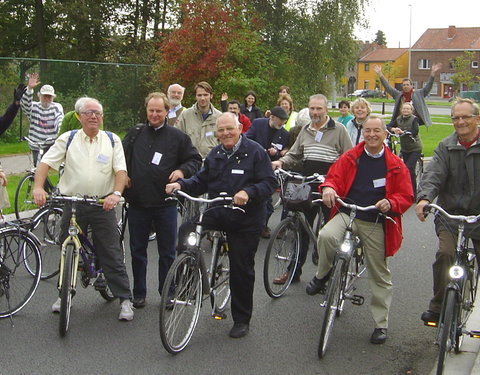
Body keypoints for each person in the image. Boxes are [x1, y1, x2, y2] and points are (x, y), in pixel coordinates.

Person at [166, 112, 276, 339]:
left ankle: (241, 319)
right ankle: (189, 274)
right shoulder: (216, 153)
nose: (226, 133)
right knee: (187, 230)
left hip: (245, 217)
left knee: (241, 268)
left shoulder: (255, 152)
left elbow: (269, 182)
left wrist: (248, 192)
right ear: (217, 133)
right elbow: (201, 181)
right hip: (217, 211)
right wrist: (181, 185)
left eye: (230, 129)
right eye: (221, 130)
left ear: (239, 129)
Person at [307, 116, 413, 344]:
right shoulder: (351, 156)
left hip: (374, 220)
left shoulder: (395, 164)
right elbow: (333, 178)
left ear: (385, 134)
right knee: (325, 235)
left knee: (379, 273)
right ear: (362, 132)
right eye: (367, 130)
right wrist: (328, 189)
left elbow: (406, 196)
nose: (372, 135)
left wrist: (391, 203)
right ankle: (322, 275)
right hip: (348, 212)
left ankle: (380, 324)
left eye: (377, 131)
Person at [32, 96, 134, 321]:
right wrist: (38, 187)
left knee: (110, 250)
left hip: (101, 203)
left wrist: (116, 194)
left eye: (97, 112)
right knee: (66, 247)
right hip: (73, 202)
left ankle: (125, 299)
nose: (94, 116)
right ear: (79, 116)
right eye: (88, 112)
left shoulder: (111, 140)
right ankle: (64, 294)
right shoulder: (68, 139)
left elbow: (121, 171)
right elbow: (45, 164)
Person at [122, 92, 202, 308]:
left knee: (167, 252)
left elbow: (194, 160)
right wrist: (124, 175)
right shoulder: (135, 133)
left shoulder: (178, 138)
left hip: (165, 205)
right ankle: (139, 292)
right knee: (137, 251)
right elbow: (119, 158)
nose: (155, 114)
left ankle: (168, 292)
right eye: (151, 110)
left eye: (159, 110)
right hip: (138, 203)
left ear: (167, 111)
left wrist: (182, 171)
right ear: (146, 110)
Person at [271, 94, 353, 283]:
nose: (315, 112)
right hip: (307, 183)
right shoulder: (305, 131)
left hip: (329, 186)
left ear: (326, 110)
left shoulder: (339, 130)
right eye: (312, 109)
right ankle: (293, 272)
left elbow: (349, 158)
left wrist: (336, 178)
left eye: (319, 109)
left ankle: (326, 275)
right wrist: (281, 162)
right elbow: (294, 154)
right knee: (301, 228)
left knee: (328, 232)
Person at [416, 98, 480, 325]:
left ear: (477, 119)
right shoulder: (445, 146)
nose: (460, 122)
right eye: (456, 118)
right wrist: (424, 199)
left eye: (465, 117)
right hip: (450, 214)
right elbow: (433, 175)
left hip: (478, 216)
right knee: (445, 254)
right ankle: (438, 306)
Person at [246, 106, 290, 238]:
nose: (282, 124)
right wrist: (263, 150)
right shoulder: (258, 123)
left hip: (270, 170)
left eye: (284, 122)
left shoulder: (284, 134)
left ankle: (261, 225)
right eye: (280, 121)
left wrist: (280, 152)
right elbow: (247, 139)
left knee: (267, 203)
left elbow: (286, 149)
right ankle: (252, 225)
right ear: (272, 117)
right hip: (252, 165)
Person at [373, 63, 442, 127]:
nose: (405, 86)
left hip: (414, 121)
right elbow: (388, 87)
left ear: (411, 85)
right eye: (404, 85)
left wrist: (432, 74)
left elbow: (428, 87)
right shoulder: (399, 95)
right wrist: (380, 75)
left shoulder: (419, 93)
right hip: (401, 120)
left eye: (407, 84)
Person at [20, 72, 64, 165]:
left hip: (52, 144)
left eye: (49, 96)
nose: (47, 98)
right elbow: (25, 104)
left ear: (53, 97)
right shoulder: (34, 107)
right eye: (45, 96)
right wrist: (29, 88)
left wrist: (60, 135)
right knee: (38, 170)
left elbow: (59, 120)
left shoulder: (57, 107)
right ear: (39, 96)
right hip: (36, 145)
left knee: (60, 166)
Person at [176, 81, 222, 158]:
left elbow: (223, 142)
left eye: (205, 95)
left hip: (213, 162)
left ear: (211, 96)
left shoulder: (219, 117)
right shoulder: (185, 115)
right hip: (190, 162)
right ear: (195, 96)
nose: (202, 98)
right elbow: (177, 138)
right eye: (199, 95)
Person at [387, 102, 422, 197]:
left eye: (408, 109)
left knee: (409, 168)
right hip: (405, 148)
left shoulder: (414, 119)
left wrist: (405, 132)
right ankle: (406, 189)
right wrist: (393, 129)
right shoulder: (398, 119)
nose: (405, 110)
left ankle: (413, 194)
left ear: (411, 111)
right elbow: (388, 125)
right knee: (404, 169)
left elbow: (415, 131)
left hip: (415, 147)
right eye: (404, 109)